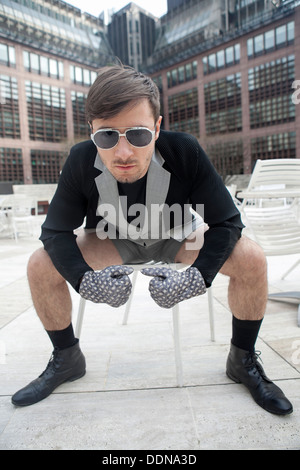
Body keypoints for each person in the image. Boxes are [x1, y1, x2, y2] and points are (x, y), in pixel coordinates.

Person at [12, 65, 292, 415]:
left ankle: (243, 359)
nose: (124, 153)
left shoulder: (184, 151)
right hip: (112, 237)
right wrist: (85, 280)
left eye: (139, 135)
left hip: (175, 233)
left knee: (251, 257)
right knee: (40, 264)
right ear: (91, 131)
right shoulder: (80, 160)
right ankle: (66, 357)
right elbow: (54, 232)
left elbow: (227, 223)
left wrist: (197, 276)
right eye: (107, 137)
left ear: (157, 128)